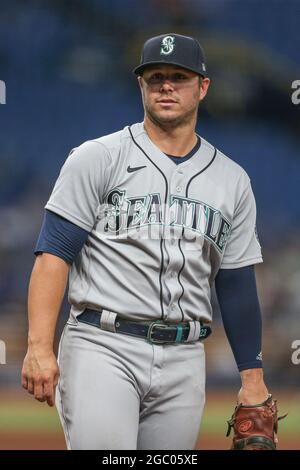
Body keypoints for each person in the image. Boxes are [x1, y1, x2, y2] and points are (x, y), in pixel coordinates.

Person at [21, 33, 272, 450]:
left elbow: (236, 283)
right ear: (141, 85)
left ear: (203, 87)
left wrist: (253, 378)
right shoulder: (97, 157)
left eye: (179, 76)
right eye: (155, 77)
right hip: (103, 345)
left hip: (186, 356)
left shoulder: (232, 180)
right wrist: (38, 346)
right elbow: (53, 255)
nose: (166, 86)